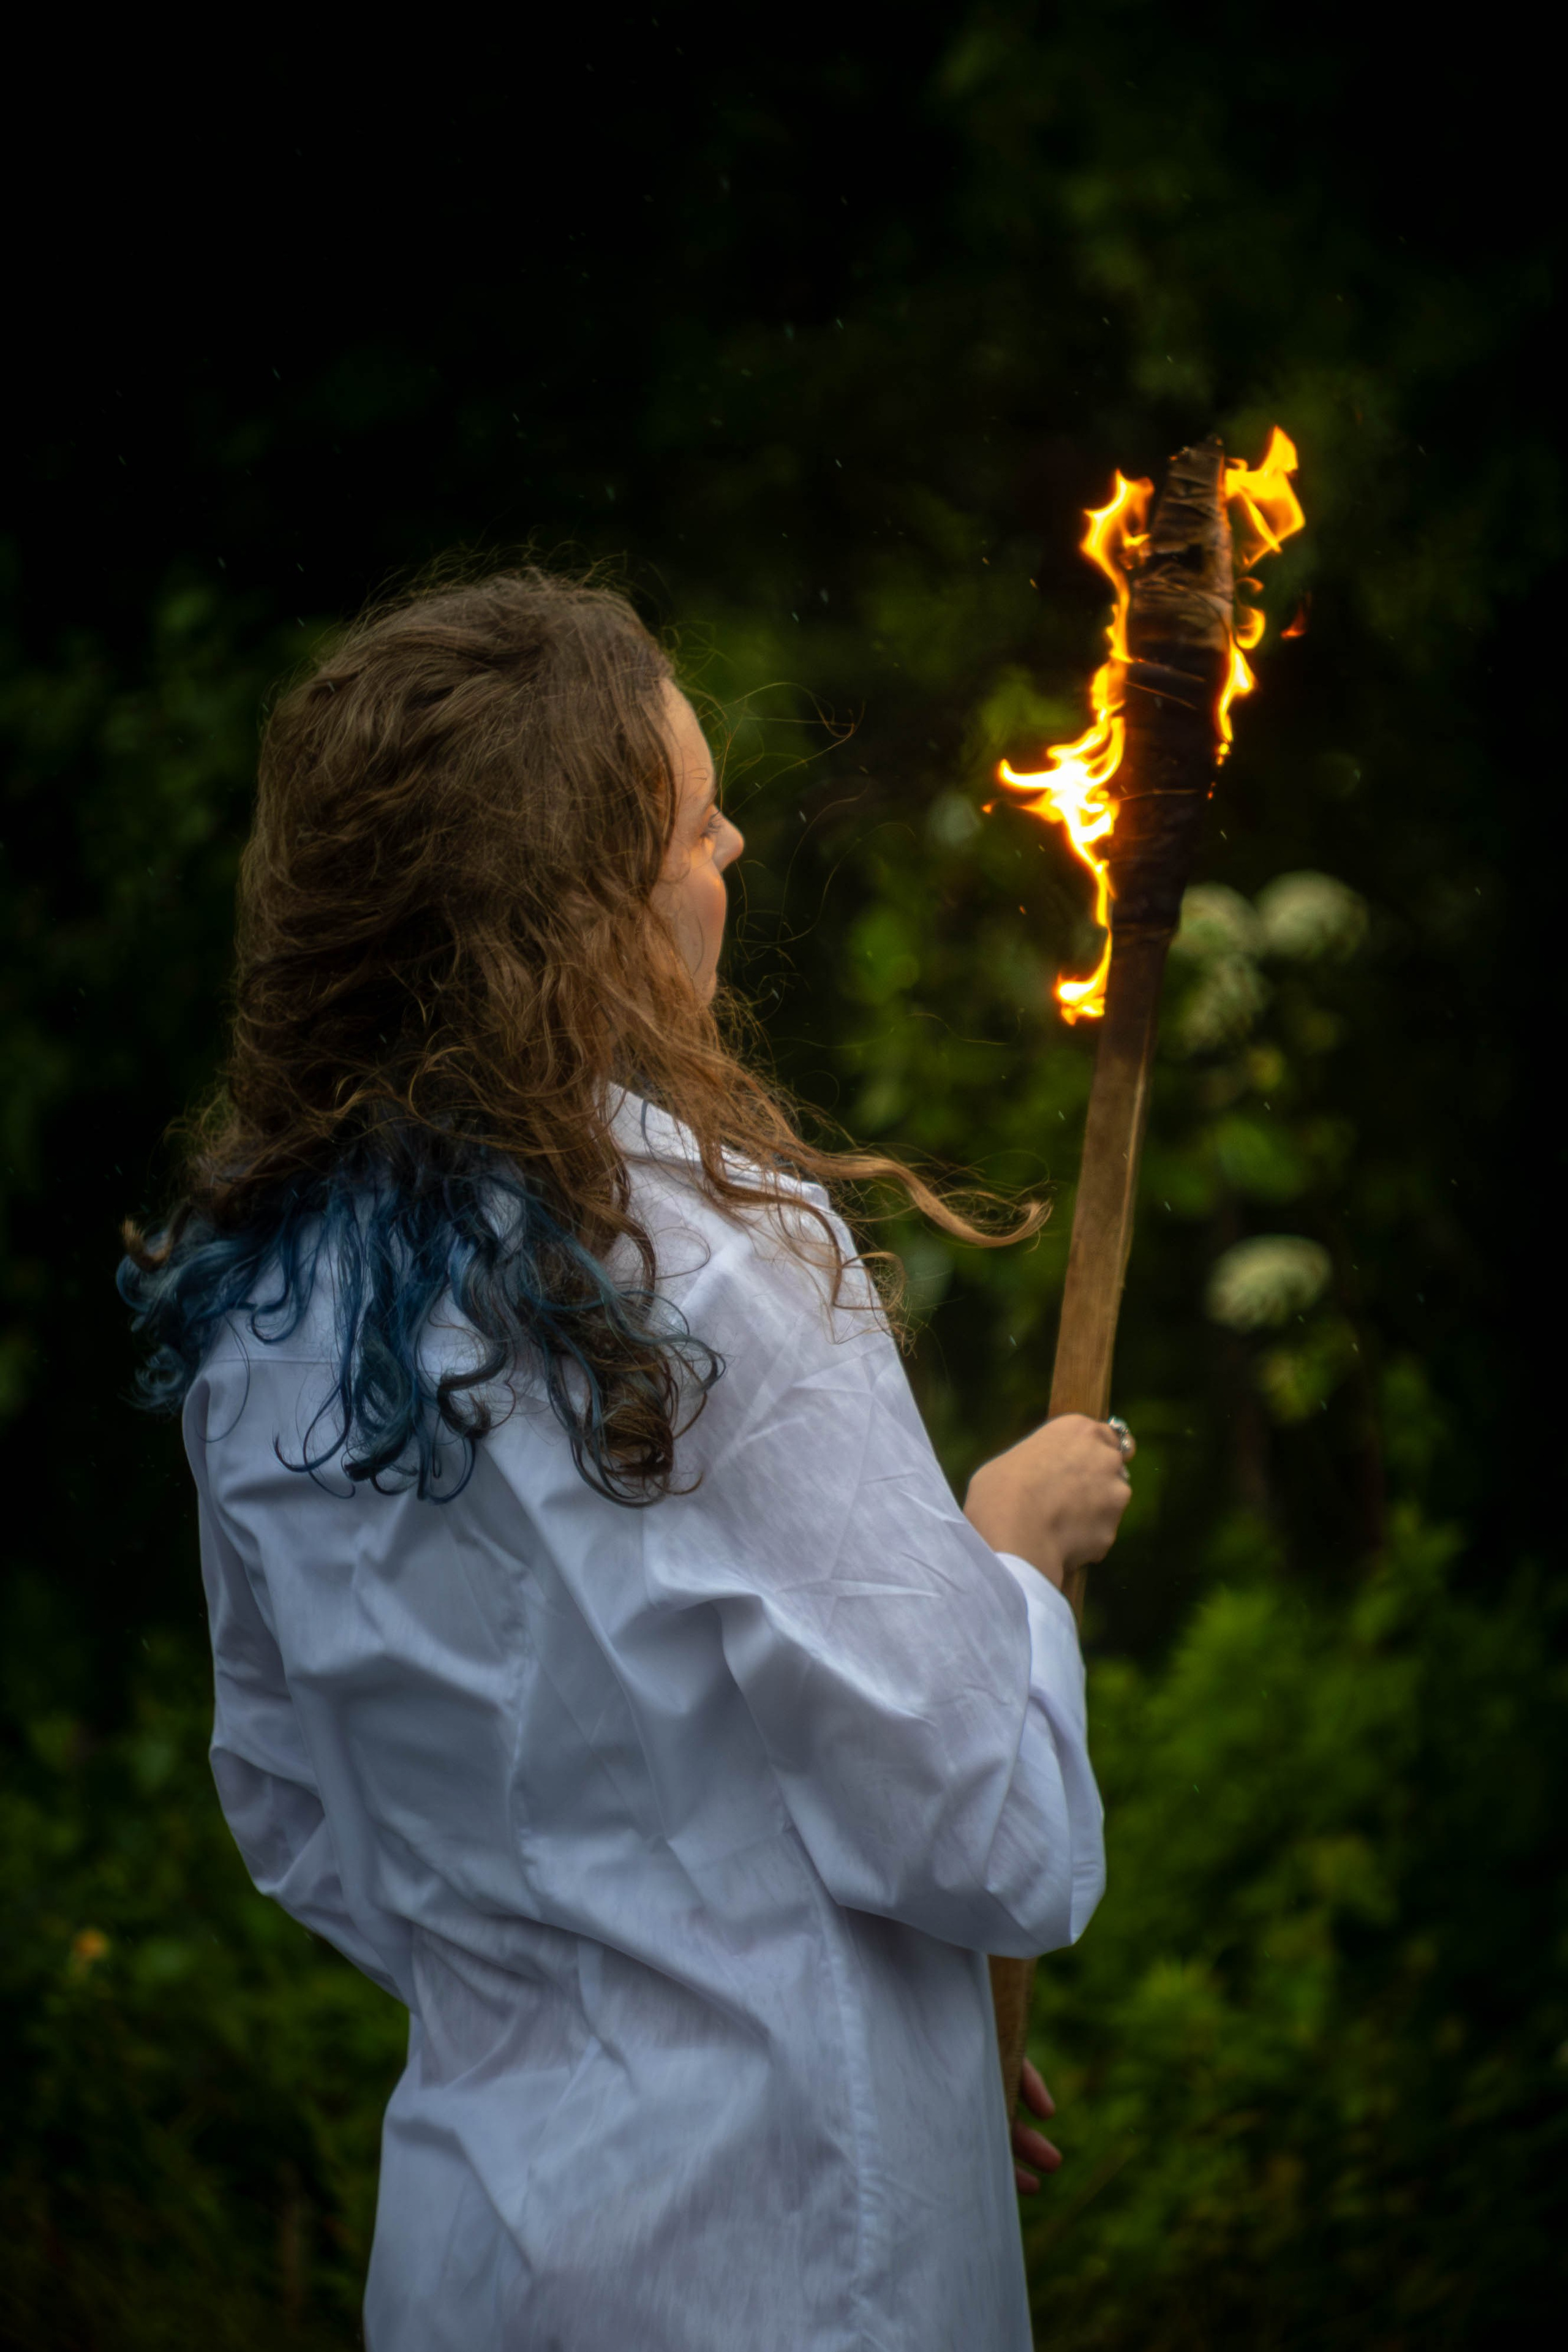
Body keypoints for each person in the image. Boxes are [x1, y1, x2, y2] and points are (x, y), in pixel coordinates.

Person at [118, 568, 1133, 2351]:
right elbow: (993, 1836)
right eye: (689, 817)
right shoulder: (715, 1265)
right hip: (790, 2267)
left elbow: (305, 1819)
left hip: (477, 2253)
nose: (732, 842)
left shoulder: (261, 1308)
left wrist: (886, 2023)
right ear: (575, 914)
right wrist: (1014, 1548)